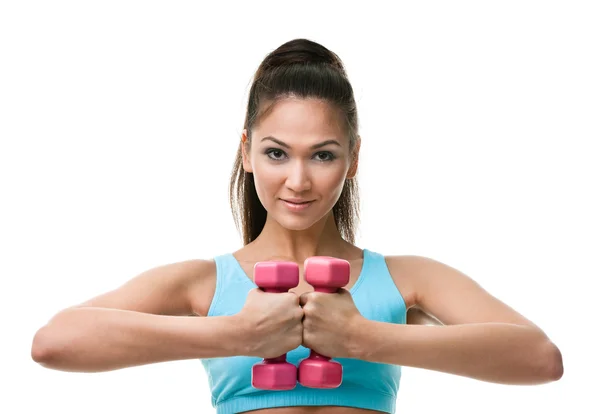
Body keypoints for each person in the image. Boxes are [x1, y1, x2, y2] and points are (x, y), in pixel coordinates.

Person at [31, 38, 563, 414]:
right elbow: (54, 343)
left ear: (353, 159)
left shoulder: (408, 277)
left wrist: (365, 338)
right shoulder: (204, 283)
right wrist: (233, 334)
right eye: (277, 153)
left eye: (324, 155)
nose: (299, 180)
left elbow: (540, 358)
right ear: (247, 154)